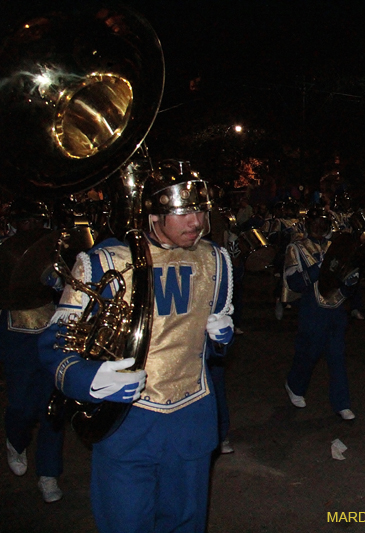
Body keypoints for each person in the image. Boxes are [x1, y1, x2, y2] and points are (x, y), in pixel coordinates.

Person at [39, 160, 234, 533]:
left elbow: (207, 340)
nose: (196, 222)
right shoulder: (102, 263)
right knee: (125, 523)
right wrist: (88, 378)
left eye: (200, 210)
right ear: (152, 213)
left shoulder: (216, 260)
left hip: (191, 418)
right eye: (183, 212)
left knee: (187, 523)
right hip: (126, 423)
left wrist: (219, 337)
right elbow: (53, 346)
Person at [1, 199, 65, 503]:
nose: (31, 227)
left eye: (35, 221)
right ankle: (15, 439)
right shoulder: (4, 250)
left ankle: (48, 473)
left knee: (53, 406)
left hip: (49, 327)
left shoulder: (52, 248)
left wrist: (60, 280)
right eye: (25, 221)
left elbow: (67, 286)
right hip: (15, 332)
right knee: (21, 404)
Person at [284, 207, 359, 420]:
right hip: (312, 308)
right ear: (308, 224)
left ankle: (341, 403)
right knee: (309, 354)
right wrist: (318, 269)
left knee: (337, 357)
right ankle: (294, 385)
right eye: (315, 222)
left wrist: (349, 283)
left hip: (336, 308)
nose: (319, 227)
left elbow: (346, 274)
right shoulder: (296, 248)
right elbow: (294, 282)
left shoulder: (336, 246)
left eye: (323, 223)